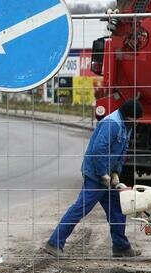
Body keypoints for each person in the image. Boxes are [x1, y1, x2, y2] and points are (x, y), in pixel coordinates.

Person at [44, 98, 144, 258]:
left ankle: (121, 247)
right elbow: (98, 150)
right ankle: (54, 244)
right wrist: (103, 174)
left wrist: (116, 173)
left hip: (107, 175)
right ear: (128, 116)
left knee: (117, 209)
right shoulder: (111, 124)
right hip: (95, 175)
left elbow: (123, 150)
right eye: (135, 119)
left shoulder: (127, 126)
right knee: (80, 208)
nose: (137, 122)